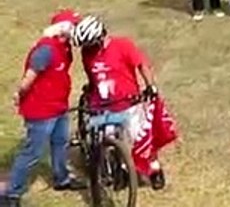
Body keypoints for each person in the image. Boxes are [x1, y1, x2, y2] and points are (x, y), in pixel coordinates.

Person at [71, 15, 168, 188]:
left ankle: (155, 170)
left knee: (141, 139)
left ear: (99, 38)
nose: (88, 49)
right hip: (103, 106)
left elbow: (142, 65)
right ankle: (121, 170)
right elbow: (92, 75)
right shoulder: (87, 53)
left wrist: (150, 86)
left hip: (129, 103)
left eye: (91, 44)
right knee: (108, 140)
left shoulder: (123, 46)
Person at [1, 12, 85, 204]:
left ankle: (61, 179)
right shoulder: (46, 50)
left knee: (60, 143)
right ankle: (10, 194)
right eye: (75, 24)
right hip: (41, 111)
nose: (78, 28)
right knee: (33, 152)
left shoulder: (65, 48)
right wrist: (19, 95)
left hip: (58, 107)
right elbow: (28, 80)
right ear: (64, 28)